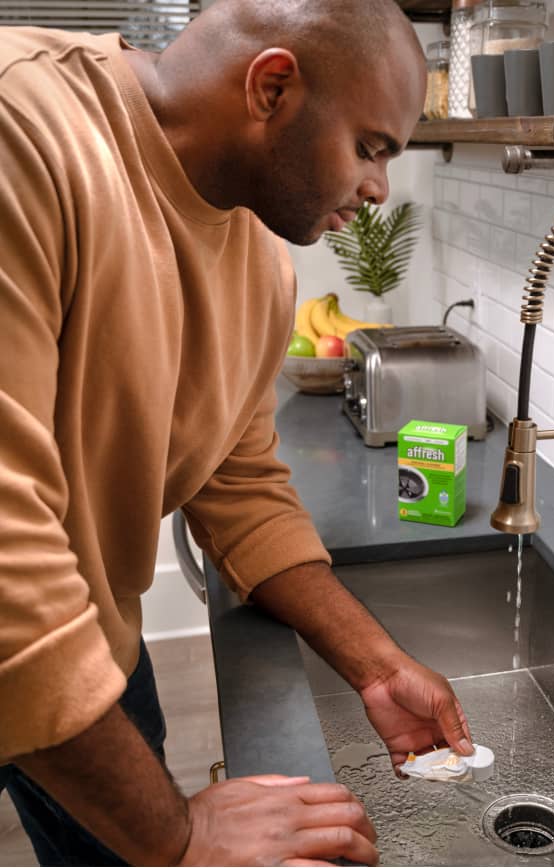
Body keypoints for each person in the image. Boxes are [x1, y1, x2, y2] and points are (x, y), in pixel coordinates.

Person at [0, 1, 475, 864]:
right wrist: (179, 838)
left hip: (91, 653)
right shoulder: (24, 129)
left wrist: (372, 662)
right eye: (371, 148)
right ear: (272, 87)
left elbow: (240, 483)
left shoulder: (260, 270)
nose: (377, 190)